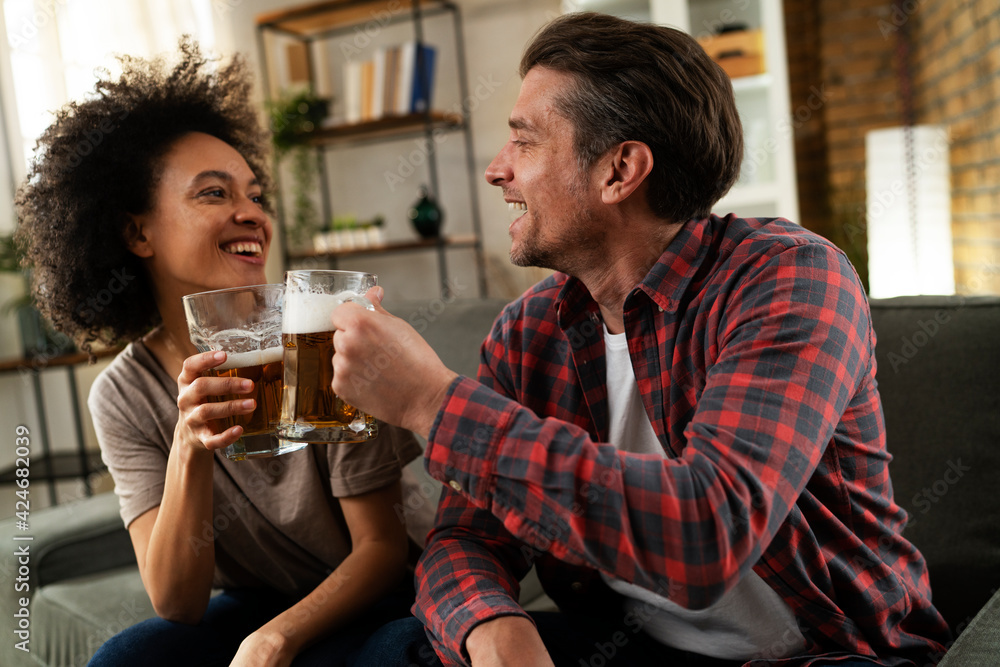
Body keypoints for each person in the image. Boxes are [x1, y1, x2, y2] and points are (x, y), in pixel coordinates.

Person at [325, 12, 952, 667]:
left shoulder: (789, 278)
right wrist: (495, 629)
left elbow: (709, 533)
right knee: (402, 649)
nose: (496, 170)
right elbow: (466, 538)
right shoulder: (529, 330)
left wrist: (431, 402)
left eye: (525, 142)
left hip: (829, 653)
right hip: (636, 647)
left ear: (619, 170)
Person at [14, 39, 422, 667]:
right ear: (137, 233)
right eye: (213, 194)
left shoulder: (322, 336)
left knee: (394, 654)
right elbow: (177, 601)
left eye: (256, 196)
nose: (251, 214)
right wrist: (189, 443)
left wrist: (277, 638)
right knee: (127, 658)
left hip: (381, 599)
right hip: (258, 599)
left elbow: (382, 551)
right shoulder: (123, 394)